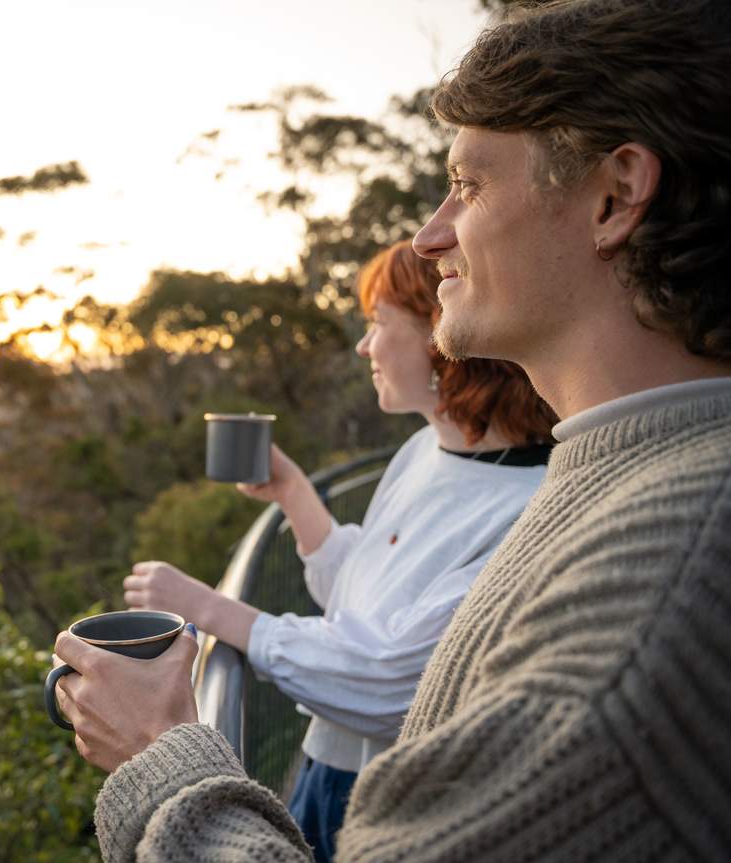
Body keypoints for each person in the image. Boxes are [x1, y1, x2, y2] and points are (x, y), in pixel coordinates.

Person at [51, 1, 731, 860]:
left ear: (614, 194)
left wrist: (159, 754)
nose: (430, 233)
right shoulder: (608, 473)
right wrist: (297, 498)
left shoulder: (640, 617)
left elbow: (387, 675)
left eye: (468, 184)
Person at [120, 239, 554, 863]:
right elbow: (364, 594)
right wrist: (294, 493)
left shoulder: (525, 505)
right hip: (328, 768)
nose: (364, 346)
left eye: (378, 325)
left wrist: (211, 609)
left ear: (441, 340)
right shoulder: (424, 450)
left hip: (390, 797)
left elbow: (389, 683)